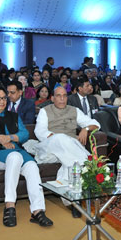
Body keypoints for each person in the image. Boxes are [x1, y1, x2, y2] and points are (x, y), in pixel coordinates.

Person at [0, 85, 53, 227]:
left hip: (16, 152)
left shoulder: (13, 115)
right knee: (15, 156)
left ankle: (38, 210)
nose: (2, 101)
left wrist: (10, 137)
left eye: (3, 98)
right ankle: (9, 206)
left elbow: (24, 133)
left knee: (32, 166)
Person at [33, 86, 100, 217]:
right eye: (58, 95)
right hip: (49, 148)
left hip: (69, 149)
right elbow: (39, 132)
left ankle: (73, 200)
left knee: (70, 162)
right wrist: (60, 139)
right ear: (52, 98)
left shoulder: (74, 110)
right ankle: (90, 165)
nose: (62, 98)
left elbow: (95, 123)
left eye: (64, 95)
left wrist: (85, 129)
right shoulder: (44, 111)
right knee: (61, 138)